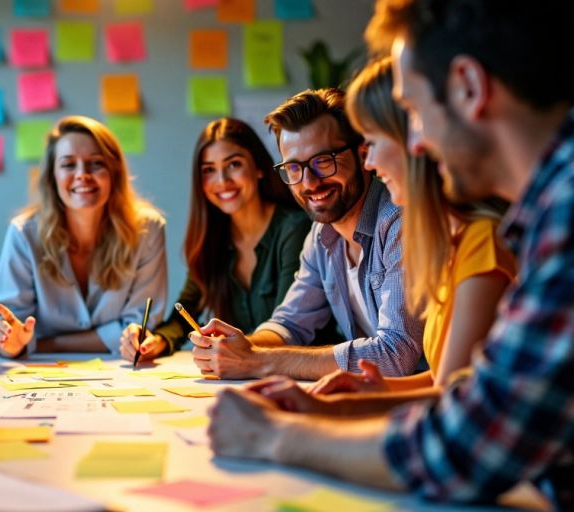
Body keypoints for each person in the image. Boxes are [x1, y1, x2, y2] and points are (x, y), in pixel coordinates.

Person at [205, 0, 574, 507]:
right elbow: (475, 400)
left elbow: (469, 445)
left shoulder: (562, 212)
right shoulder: (544, 208)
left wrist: (273, 437)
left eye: (415, 113)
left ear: (468, 86)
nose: (413, 143)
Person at [245, 57, 515, 415]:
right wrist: (365, 390)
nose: (369, 161)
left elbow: (452, 405)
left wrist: (272, 374)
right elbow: (444, 382)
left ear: (415, 145)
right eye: (294, 168)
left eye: (371, 143)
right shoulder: (446, 240)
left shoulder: (472, 239)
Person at [189, 88, 424, 380]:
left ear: (362, 152)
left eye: (323, 161)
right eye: (293, 167)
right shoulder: (322, 234)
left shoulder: (399, 221)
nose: (309, 182)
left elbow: (395, 354)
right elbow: (290, 324)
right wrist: (238, 346)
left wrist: (259, 361)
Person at [119, 118, 321, 363]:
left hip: (299, 372)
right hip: (243, 375)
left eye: (234, 164)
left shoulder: (294, 228)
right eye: (209, 170)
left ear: (259, 167)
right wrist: (155, 341)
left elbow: (287, 327)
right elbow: (185, 314)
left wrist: (229, 349)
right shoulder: (213, 237)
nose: (222, 181)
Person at [0, 115, 167, 358]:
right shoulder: (24, 234)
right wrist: (8, 342)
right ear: (52, 176)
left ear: (114, 173)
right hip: (38, 377)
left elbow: (137, 327)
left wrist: (42, 344)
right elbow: (9, 327)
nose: (82, 174)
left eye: (95, 163)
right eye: (68, 164)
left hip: (119, 375)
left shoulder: (148, 230)